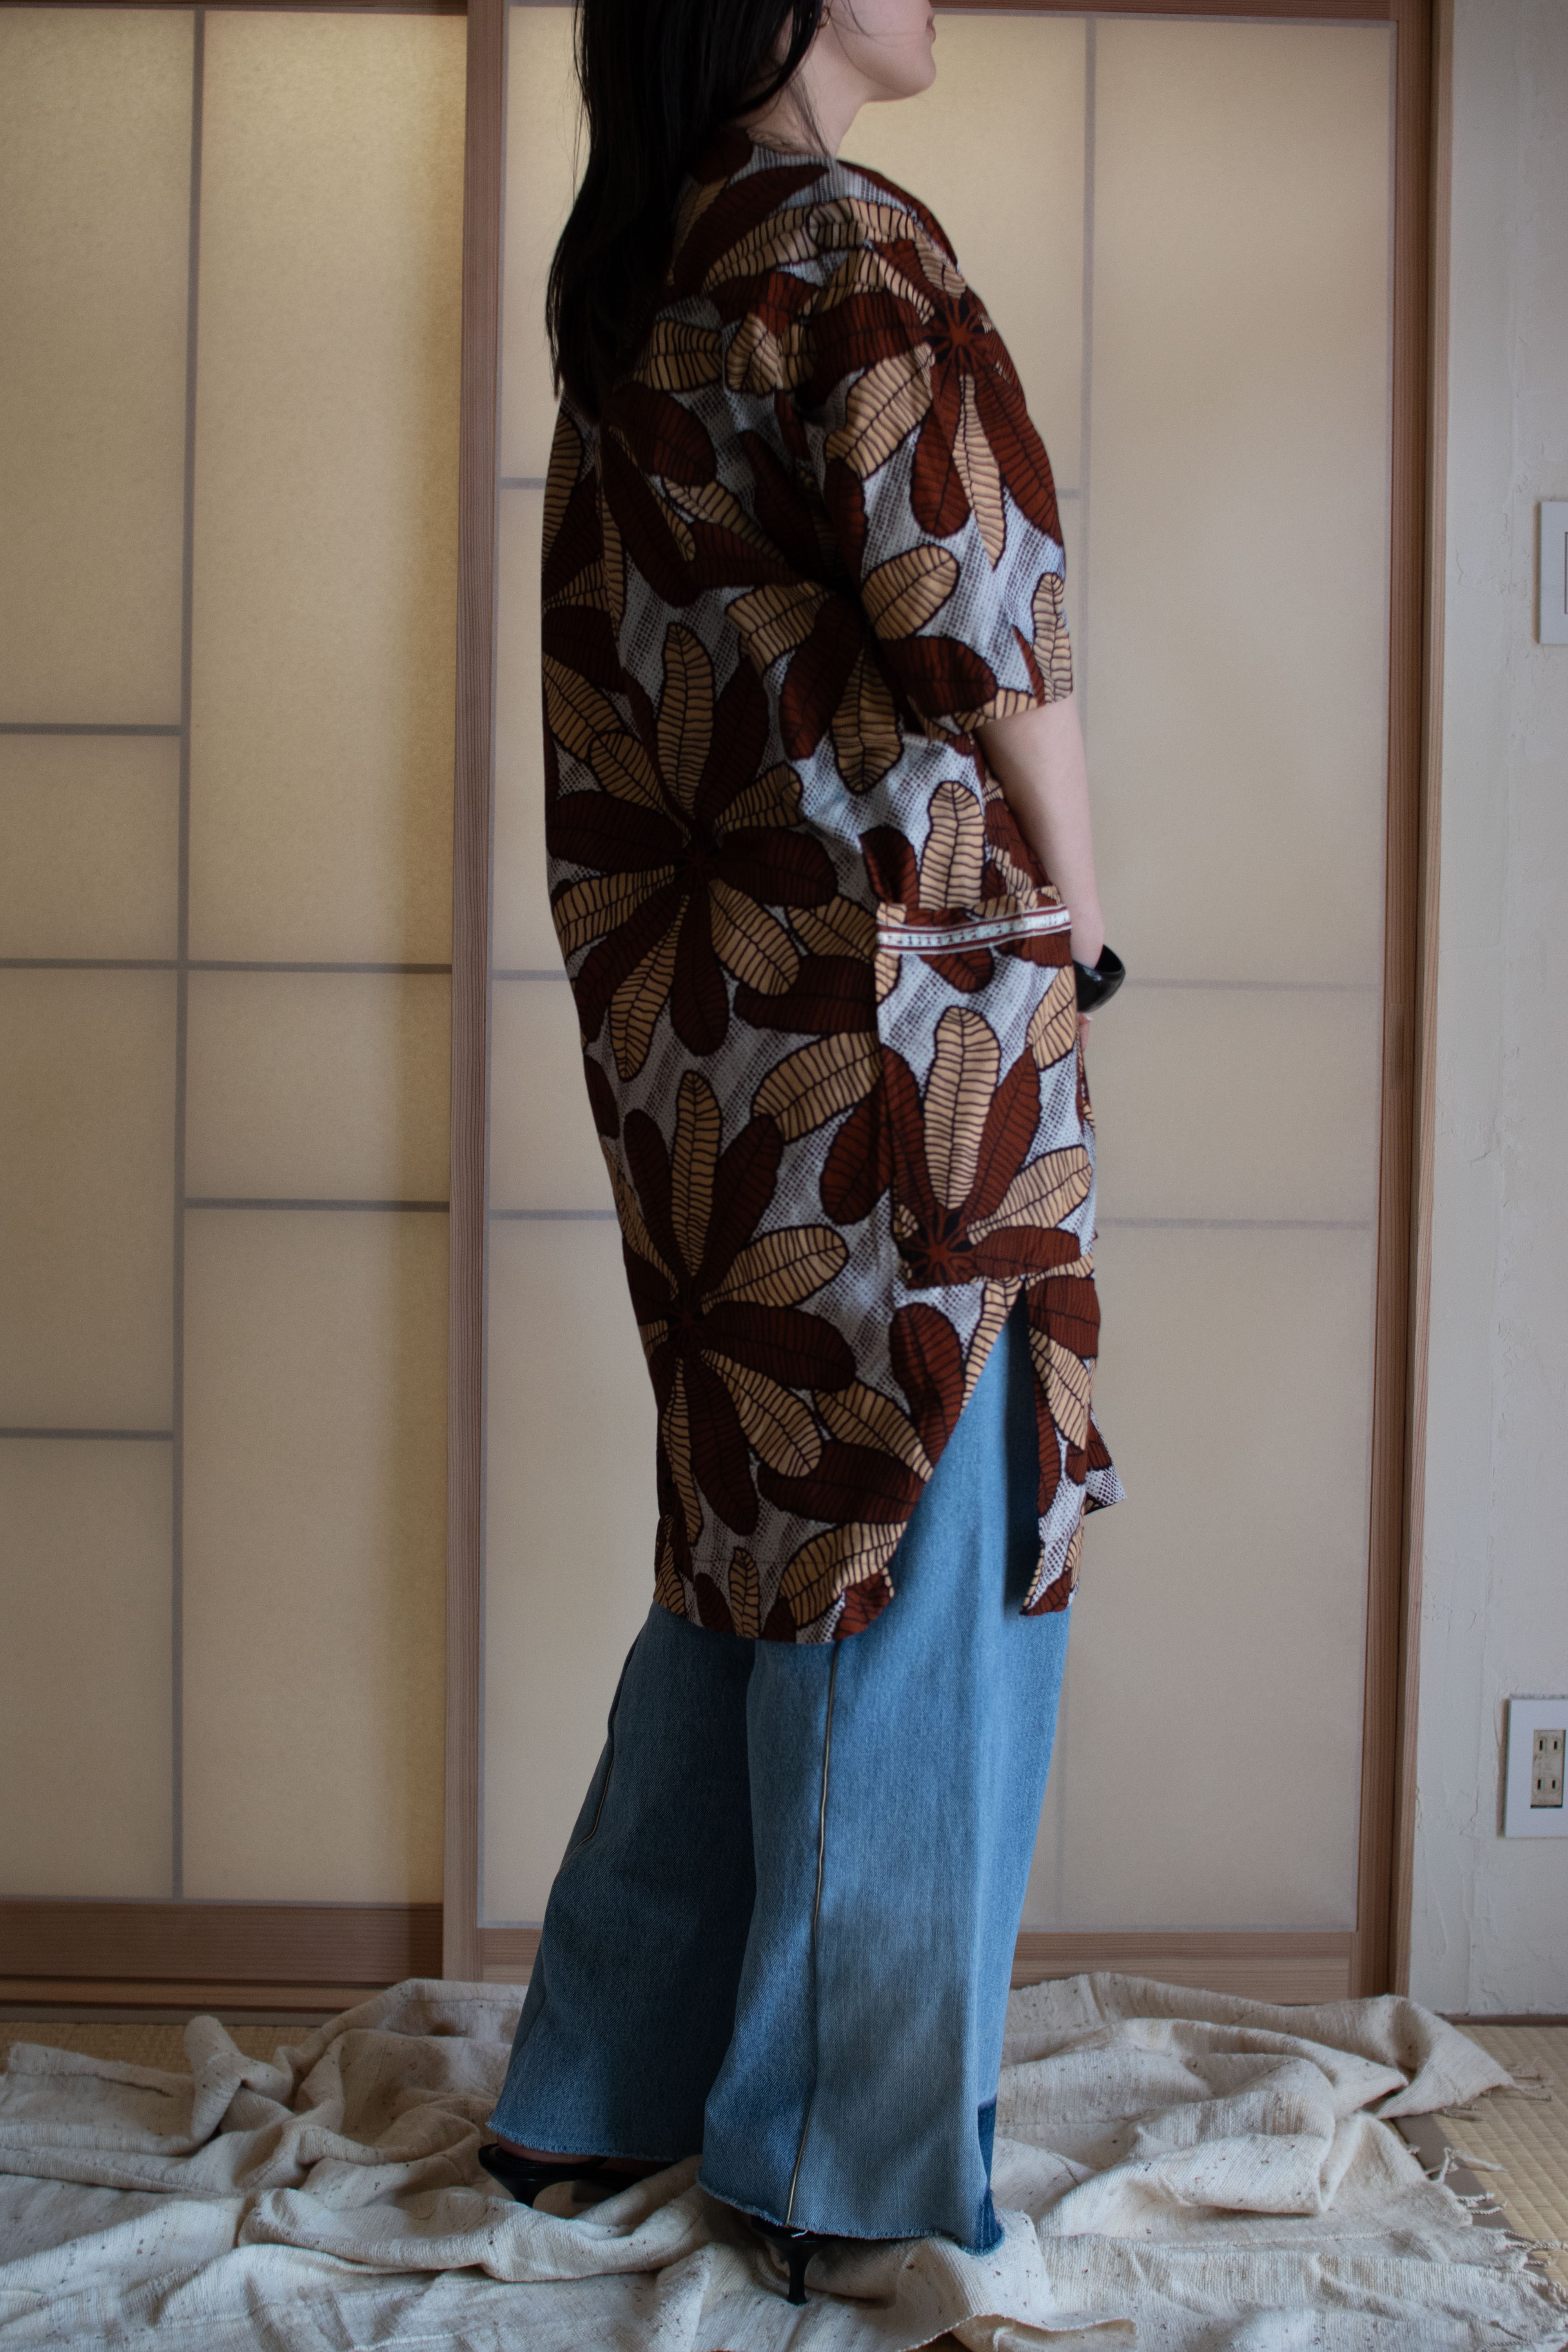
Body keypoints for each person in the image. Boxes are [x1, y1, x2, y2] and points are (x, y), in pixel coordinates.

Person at [481, 0, 1125, 2303]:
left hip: (708, 1022)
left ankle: (604, 2086)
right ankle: (839, 2171)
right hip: (900, 1016)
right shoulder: (844, 249)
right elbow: (987, 624)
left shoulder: (637, 267)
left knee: (753, 1525)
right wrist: (1090, 912)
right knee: (920, 1541)